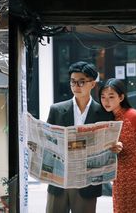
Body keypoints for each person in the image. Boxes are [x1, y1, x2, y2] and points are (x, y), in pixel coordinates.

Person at [46, 61, 114, 213]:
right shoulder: (57, 110)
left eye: (81, 82)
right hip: (60, 181)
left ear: (92, 83)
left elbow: (109, 145)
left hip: (87, 183)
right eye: (73, 82)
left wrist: (115, 146)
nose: (76, 86)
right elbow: (47, 141)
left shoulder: (104, 113)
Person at [99, 78, 136, 213]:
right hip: (119, 176)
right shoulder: (105, 119)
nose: (106, 101)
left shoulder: (133, 115)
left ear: (121, 97)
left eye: (111, 97)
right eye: (103, 97)